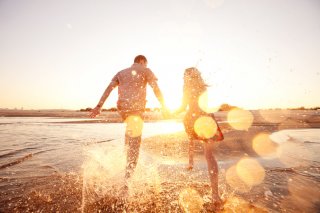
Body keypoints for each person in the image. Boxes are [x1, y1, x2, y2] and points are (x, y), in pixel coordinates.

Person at [90, 55, 167, 183]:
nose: (145, 66)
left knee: (129, 135)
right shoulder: (146, 70)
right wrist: (164, 105)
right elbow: (155, 88)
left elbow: (109, 89)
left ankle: (124, 165)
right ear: (142, 62)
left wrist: (98, 106)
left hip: (123, 110)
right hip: (136, 110)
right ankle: (127, 183)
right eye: (145, 64)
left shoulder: (121, 72)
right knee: (135, 146)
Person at [174, 67, 224, 209]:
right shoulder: (203, 88)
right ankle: (216, 194)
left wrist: (170, 111)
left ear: (187, 77)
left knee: (191, 138)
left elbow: (183, 106)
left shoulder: (187, 88)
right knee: (209, 155)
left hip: (192, 118)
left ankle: (190, 161)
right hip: (206, 118)